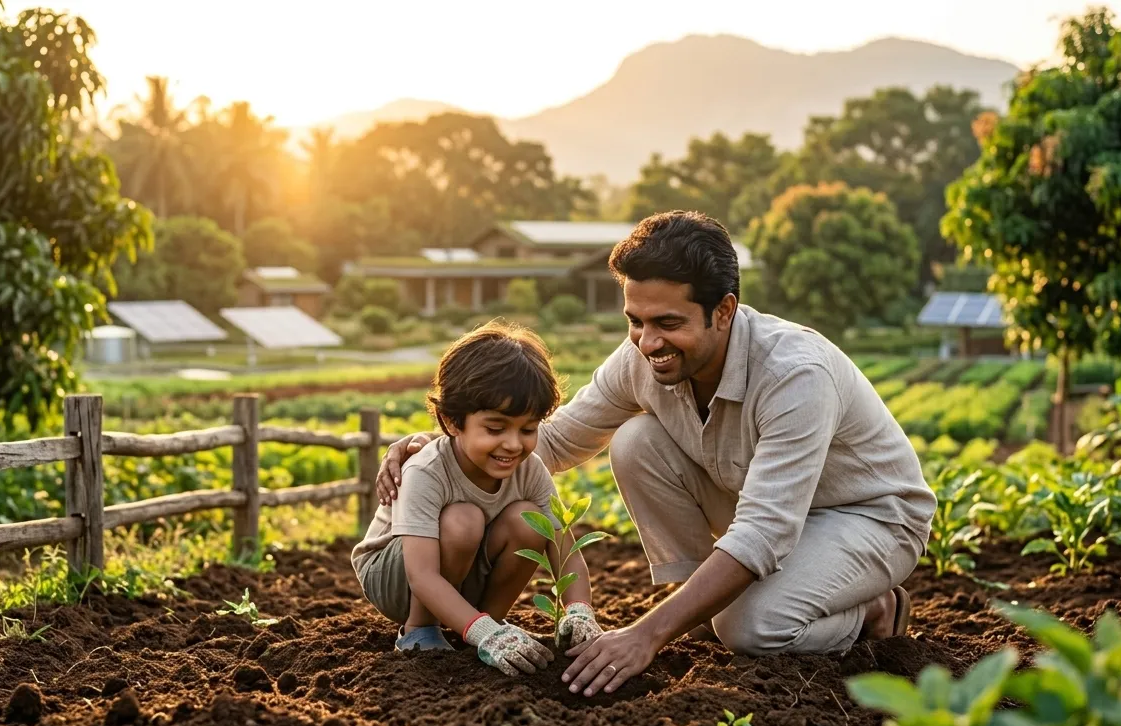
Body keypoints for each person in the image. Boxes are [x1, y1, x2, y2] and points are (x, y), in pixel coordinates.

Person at [377, 211, 935, 697]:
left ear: (724, 311)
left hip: (865, 517)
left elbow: (764, 531)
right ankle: (696, 610)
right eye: (635, 321)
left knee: (750, 630)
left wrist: (645, 634)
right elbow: (552, 441)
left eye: (668, 323)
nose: (647, 343)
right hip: (761, 503)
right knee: (636, 440)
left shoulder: (795, 375)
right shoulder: (642, 357)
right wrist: (441, 450)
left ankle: (871, 609)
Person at [351, 321, 606, 677]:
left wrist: (580, 609)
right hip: (396, 577)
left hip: (460, 571)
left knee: (531, 520)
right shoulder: (427, 469)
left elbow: (565, 548)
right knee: (463, 520)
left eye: (528, 429)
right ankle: (419, 630)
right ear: (452, 421)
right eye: (495, 428)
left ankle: (489, 626)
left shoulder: (529, 469)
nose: (514, 444)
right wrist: (479, 632)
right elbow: (421, 574)